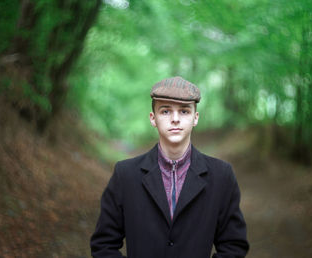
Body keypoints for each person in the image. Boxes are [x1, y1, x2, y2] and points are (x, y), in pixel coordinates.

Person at [90, 76, 249, 258]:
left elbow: (234, 246)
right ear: (153, 118)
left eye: (184, 111)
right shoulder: (125, 175)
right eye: (165, 111)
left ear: (195, 118)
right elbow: (103, 245)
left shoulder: (221, 176)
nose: (175, 119)